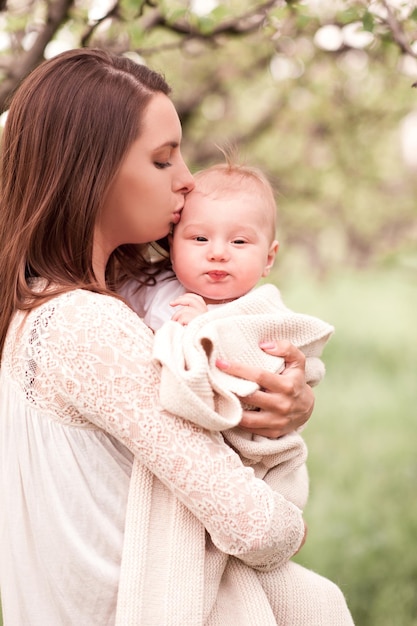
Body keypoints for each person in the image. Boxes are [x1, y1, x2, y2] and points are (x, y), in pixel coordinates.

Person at [0, 47, 353, 626]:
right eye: (164, 161)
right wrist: (294, 524)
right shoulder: (85, 324)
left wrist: (280, 401)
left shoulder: (43, 304)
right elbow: (258, 528)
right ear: (92, 171)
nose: (187, 181)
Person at [122, 161, 352, 624]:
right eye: (199, 239)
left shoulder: (261, 312)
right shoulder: (150, 289)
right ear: (172, 244)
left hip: (252, 472)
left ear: (269, 257)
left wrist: (206, 329)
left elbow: (266, 368)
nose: (218, 254)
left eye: (239, 241)